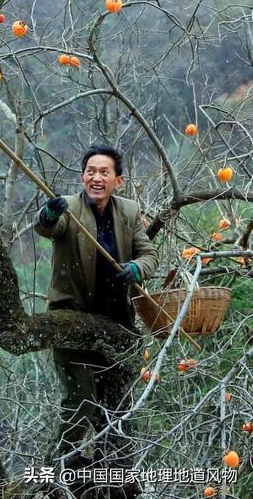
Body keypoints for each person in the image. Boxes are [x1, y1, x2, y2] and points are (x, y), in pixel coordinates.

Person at [35, 143, 158, 476]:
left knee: (117, 407)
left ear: (118, 180)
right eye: (91, 171)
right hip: (71, 320)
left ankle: (114, 474)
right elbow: (50, 227)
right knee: (81, 401)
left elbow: (149, 254)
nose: (97, 177)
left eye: (105, 172)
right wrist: (48, 215)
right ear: (82, 176)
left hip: (117, 323)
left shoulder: (128, 211)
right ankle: (57, 469)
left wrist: (136, 268)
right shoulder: (70, 209)